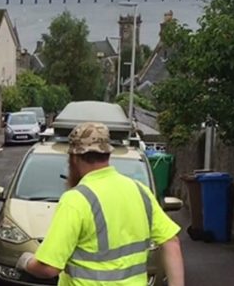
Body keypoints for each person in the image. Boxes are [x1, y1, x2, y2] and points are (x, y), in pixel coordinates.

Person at [15, 122, 185, 286]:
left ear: (73, 158)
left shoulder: (76, 199)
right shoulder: (140, 191)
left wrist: (27, 262)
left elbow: (49, 268)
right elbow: (171, 243)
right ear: (108, 154)